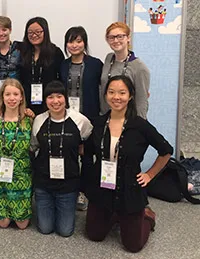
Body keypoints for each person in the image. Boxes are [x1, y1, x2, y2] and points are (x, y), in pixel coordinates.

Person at [84, 75, 172, 252]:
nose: (116, 97)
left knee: (133, 246)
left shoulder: (140, 125)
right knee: (94, 235)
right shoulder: (98, 123)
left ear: (130, 96)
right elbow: (86, 151)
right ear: (106, 95)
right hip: (102, 187)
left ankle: (146, 216)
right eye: (111, 92)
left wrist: (149, 174)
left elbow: (166, 150)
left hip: (129, 189)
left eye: (122, 92)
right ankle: (115, 215)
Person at [30, 80, 92, 237]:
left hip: (68, 184)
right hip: (43, 184)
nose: (55, 101)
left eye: (59, 96)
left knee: (65, 231)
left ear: (66, 98)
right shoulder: (39, 120)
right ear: (45, 100)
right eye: (50, 97)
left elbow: (89, 140)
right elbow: (33, 146)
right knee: (45, 229)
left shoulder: (80, 120)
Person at [59, 26, 103, 211]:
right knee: (68, 154)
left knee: (86, 155)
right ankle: (68, 190)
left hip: (89, 116)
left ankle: (84, 192)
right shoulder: (62, 65)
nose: (74, 45)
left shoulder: (96, 64)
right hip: (68, 117)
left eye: (78, 41)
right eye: (71, 41)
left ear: (85, 42)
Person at [0, 78, 32, 229]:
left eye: (15, 94)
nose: (12, 98)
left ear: (21, 97)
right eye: (7, 94)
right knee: (4, 223)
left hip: (21, 175)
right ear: (2, 97)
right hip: (0, 174)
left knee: (22, 224)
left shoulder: (29, 120)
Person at [100, 22, 150, 119]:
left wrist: (139, 125)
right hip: (108, 117)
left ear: (128, 38)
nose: (116, 40)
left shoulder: (139, 67)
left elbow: (141, 101)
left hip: (129, 120)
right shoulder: (108, 59)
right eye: (112, 37)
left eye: (120, 36)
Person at [19, 17, 64, 116]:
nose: (34, 35)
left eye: (38, 32)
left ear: (45, 32)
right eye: (30, 32)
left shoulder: (55, 52)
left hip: (49, 103)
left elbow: (60, 80)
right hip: (25, 104)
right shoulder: (22, 52)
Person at [0, 16, 22, 108]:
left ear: (10, 30)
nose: (1, 33)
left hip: (16, 99)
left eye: (4, 29)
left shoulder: (20, 48)